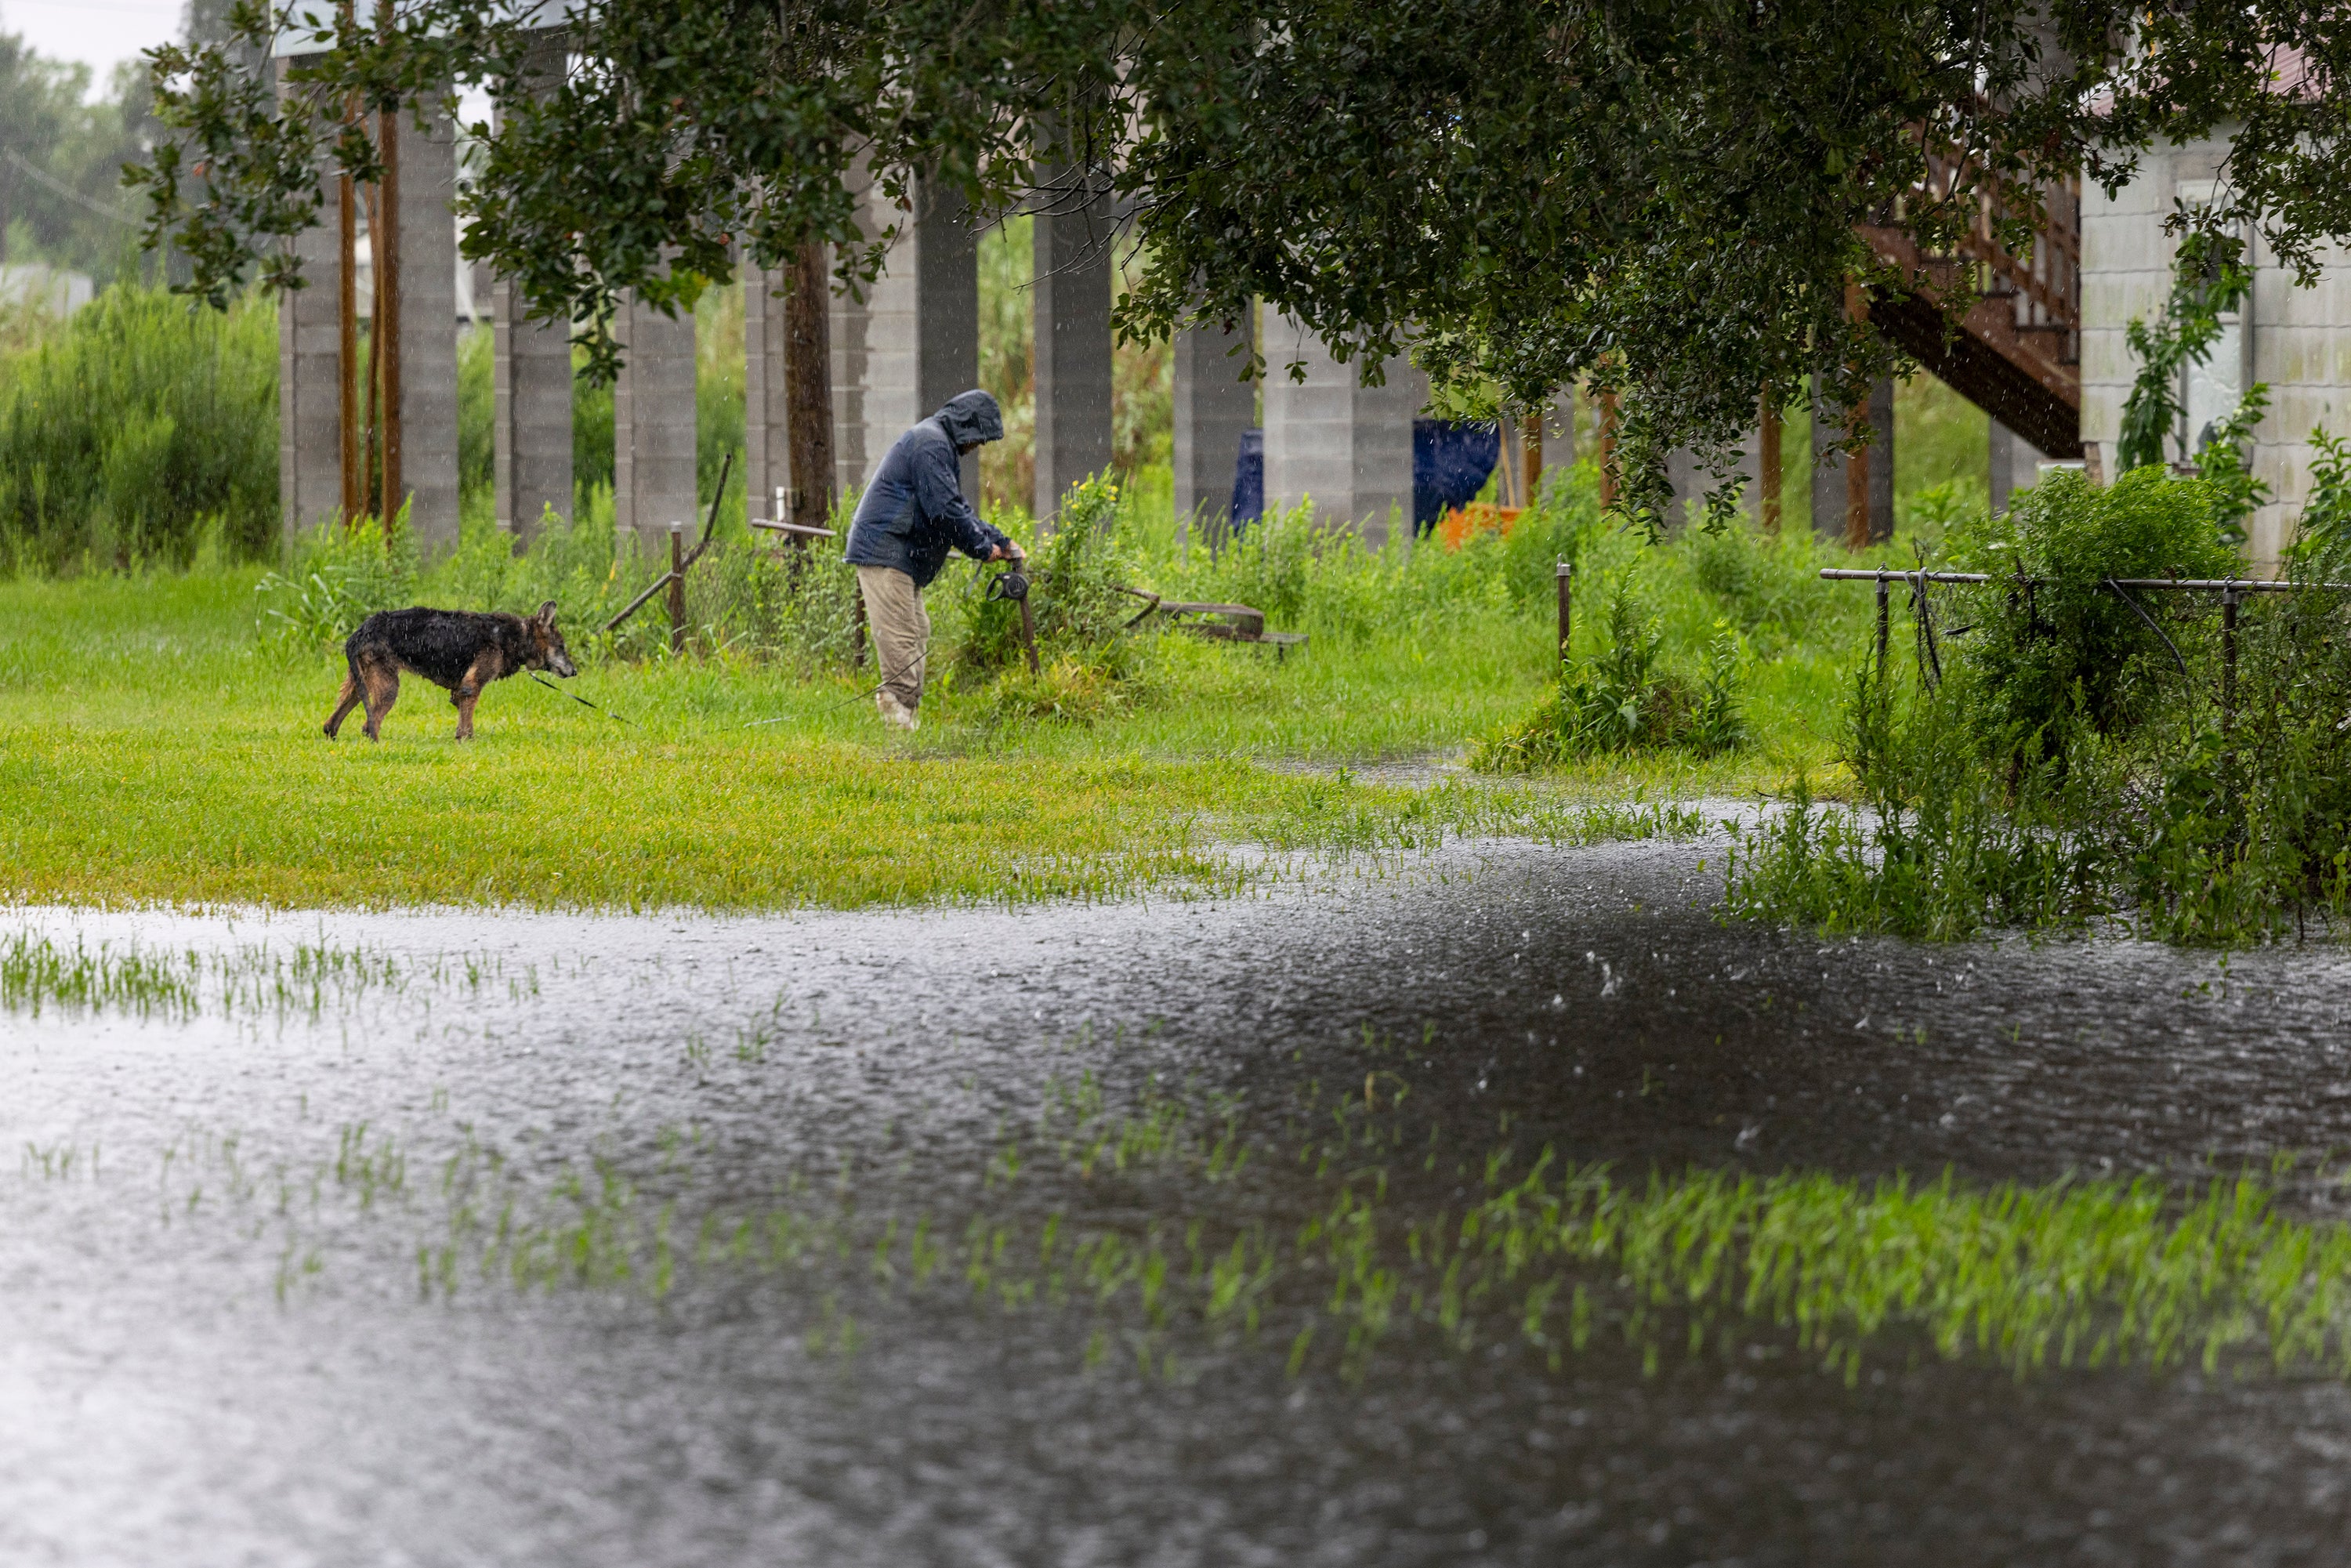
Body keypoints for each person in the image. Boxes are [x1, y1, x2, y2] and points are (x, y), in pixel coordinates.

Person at [842, 388, 1023, 731]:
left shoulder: (935, 443)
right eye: (979, 438)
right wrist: (983, 549)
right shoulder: (931, 445)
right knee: (903, 639)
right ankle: (898, 728)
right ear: (968, 425)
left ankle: (904, 720)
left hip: (897, 555)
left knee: (917, 631)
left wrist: (999, 539)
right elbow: (944, 512)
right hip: (886, 552)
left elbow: (955, 507)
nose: (978, 446)